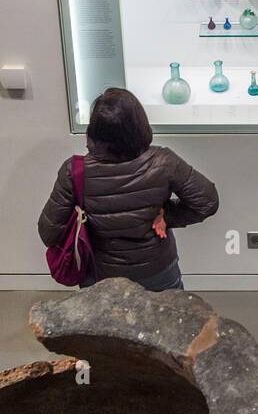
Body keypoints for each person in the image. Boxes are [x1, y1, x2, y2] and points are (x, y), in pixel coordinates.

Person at [38, 87, 218, 291]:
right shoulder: (163, 162)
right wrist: (167, 216)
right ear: (139, 124)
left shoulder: (75, 171)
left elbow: (48, 233)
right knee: (167, 321)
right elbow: (207, 201)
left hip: (101, 276)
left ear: (95, 130)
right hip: (156, 270)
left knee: (105, 324)